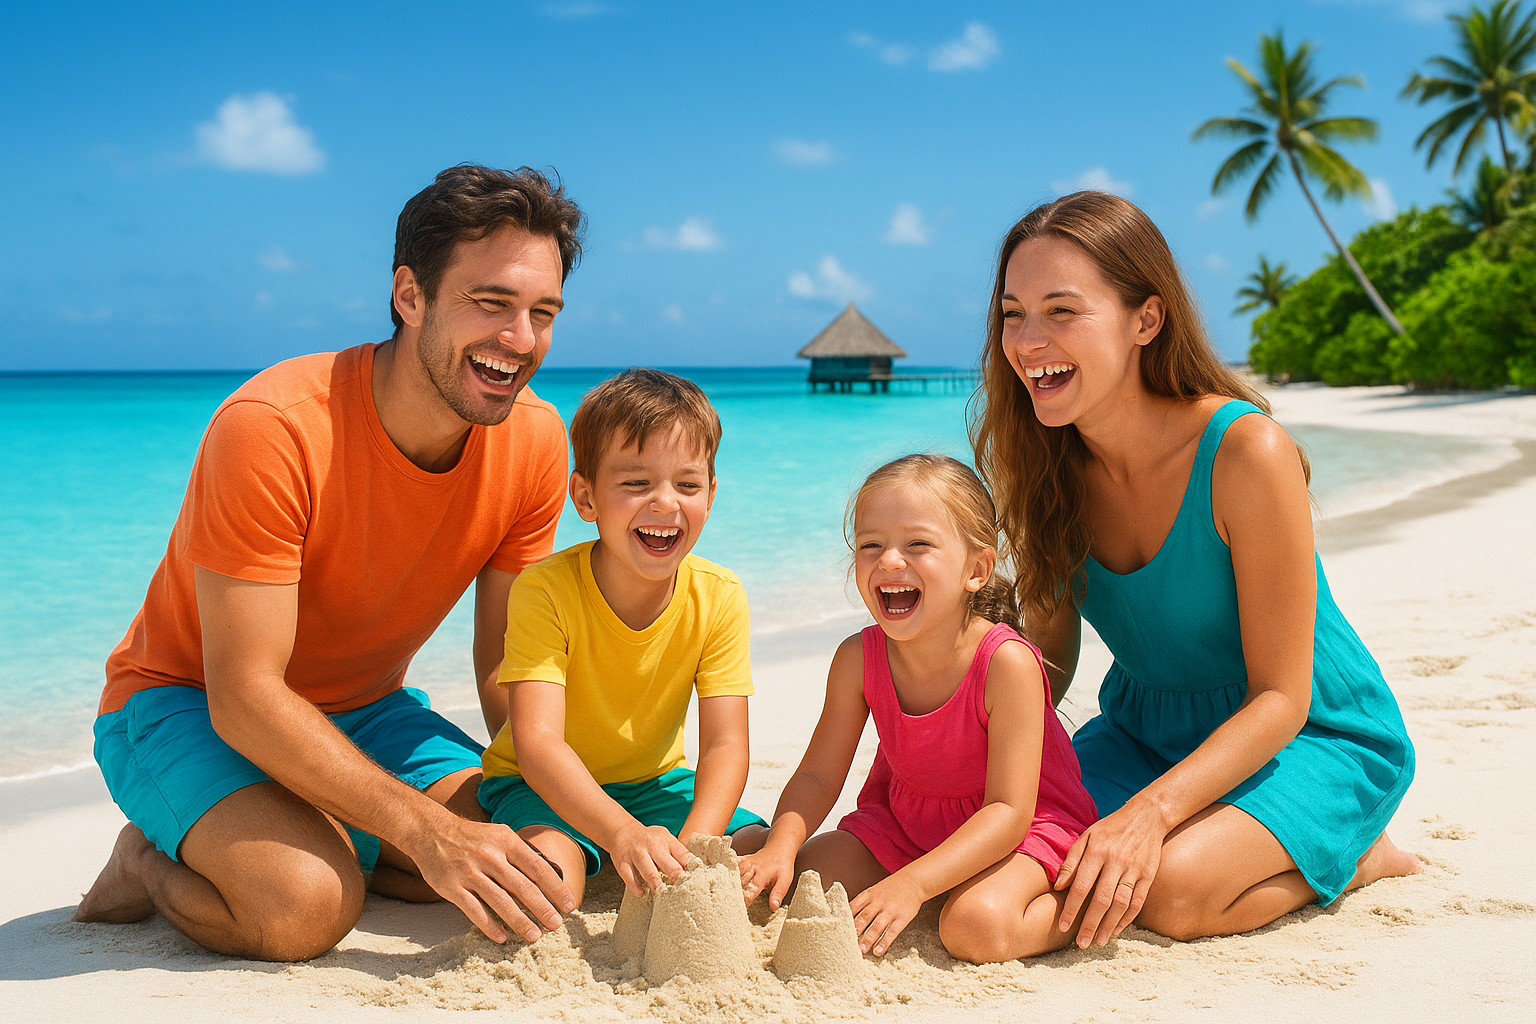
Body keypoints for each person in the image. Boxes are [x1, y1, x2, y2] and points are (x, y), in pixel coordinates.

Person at [74, 164, 587, 961]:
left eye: (541, 313)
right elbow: (244, 697)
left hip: (366, 712)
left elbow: (504, 669)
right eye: (491, 304)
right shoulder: (274, 427)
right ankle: (145, 857)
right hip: (184, 704)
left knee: (540, 867)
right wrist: (429, 834)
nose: (520, 341)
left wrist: (575, 795)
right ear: (409, 297)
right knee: (305, 907)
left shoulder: (536, 440)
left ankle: (321, 829)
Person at [969, 190, 1419, 950]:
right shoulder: (1046, 466)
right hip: (1146, 734)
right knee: (1001, 861)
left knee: (1171, 892)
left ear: (1146, 320)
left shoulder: (1247, 453)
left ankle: (1355, 855)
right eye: (1013, 314)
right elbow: (1045, 660)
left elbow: (1282, 695)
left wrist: (1148, 815)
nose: (1028, 340)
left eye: (1061, 311)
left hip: (1309, 736)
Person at [738, 454, 1098, 964]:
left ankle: (1079, 901)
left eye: (917, 545)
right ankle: (762, 841)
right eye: (871, 545)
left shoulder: (1006, 664)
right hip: (910, 821)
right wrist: (780, 844)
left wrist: (912, 884)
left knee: (973, 927)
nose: (888, 561)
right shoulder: (857, 659)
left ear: (976, 570)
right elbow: (819, 776)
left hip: (1020, 827)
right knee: (811, 879)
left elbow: (1008, 812)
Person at [479, 368, 767, 905]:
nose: (665, 503)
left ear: (711, 493)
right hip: (542, 787)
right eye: (635, 483)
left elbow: (727, 743)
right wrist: (620, 834)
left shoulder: (720, 595)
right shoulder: (544, 589)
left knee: (758, 853)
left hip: (657, 787)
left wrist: (695, 845)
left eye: (688, 484)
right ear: (584, 498)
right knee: (548, 887)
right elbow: (538, 745)